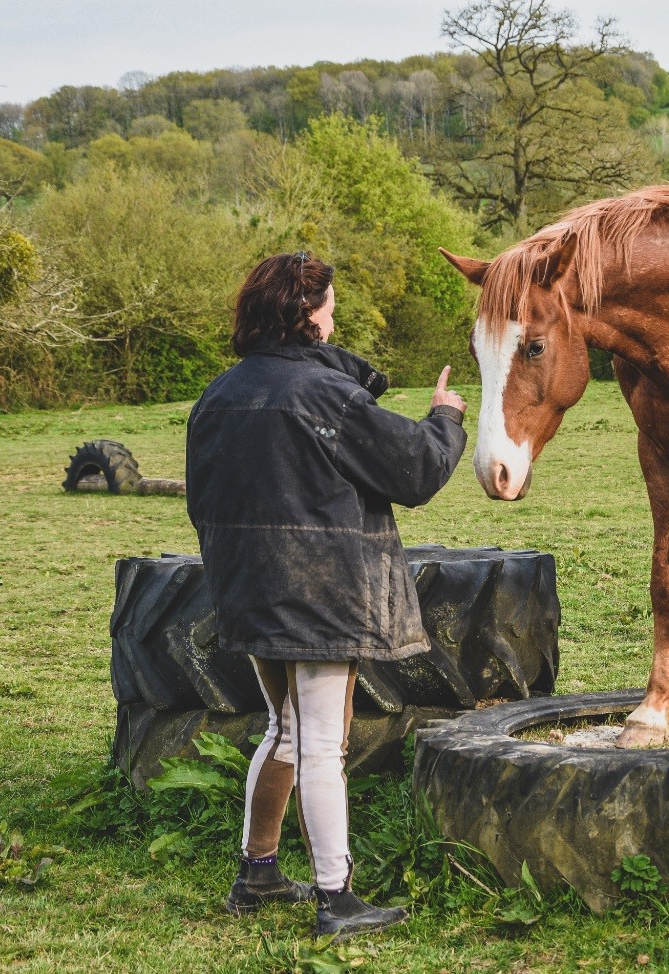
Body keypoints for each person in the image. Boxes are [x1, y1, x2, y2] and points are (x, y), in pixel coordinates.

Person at [185, 251, 468, 940]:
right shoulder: (323, 396)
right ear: (306, 314)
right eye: (331, 308)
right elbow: (418, 468)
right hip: (318, 595)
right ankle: (336, 899)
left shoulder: (215, 398)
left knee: (283, 731)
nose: (335, 318)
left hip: (248, 588)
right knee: (320, 745)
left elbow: (200, 503)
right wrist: (446, 416)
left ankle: (256, 875)